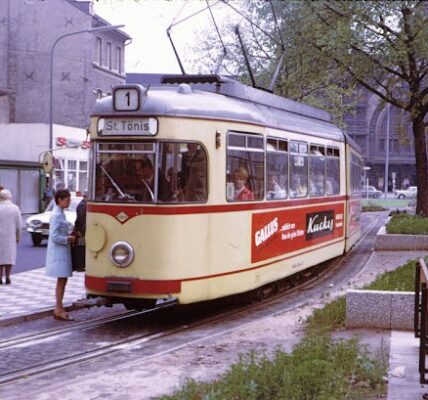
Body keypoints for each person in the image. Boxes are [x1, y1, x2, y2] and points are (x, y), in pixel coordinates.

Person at [45, 189, 76, 321]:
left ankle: (59, 307)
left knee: (62, 281)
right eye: (67, 200)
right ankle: (58, 308)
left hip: (61, 252)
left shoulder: (60, 213)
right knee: (61, 281)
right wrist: (68, 238)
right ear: (59, 200)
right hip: (59, 253)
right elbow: (54, 236)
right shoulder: (57, 215)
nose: (69, 202)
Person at [0, 190, 22, 285]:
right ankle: (8, 277)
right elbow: (19, 225)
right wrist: (18, 236)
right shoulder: (15, 208)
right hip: (10, 236)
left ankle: (0, 278)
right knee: (10, 257)